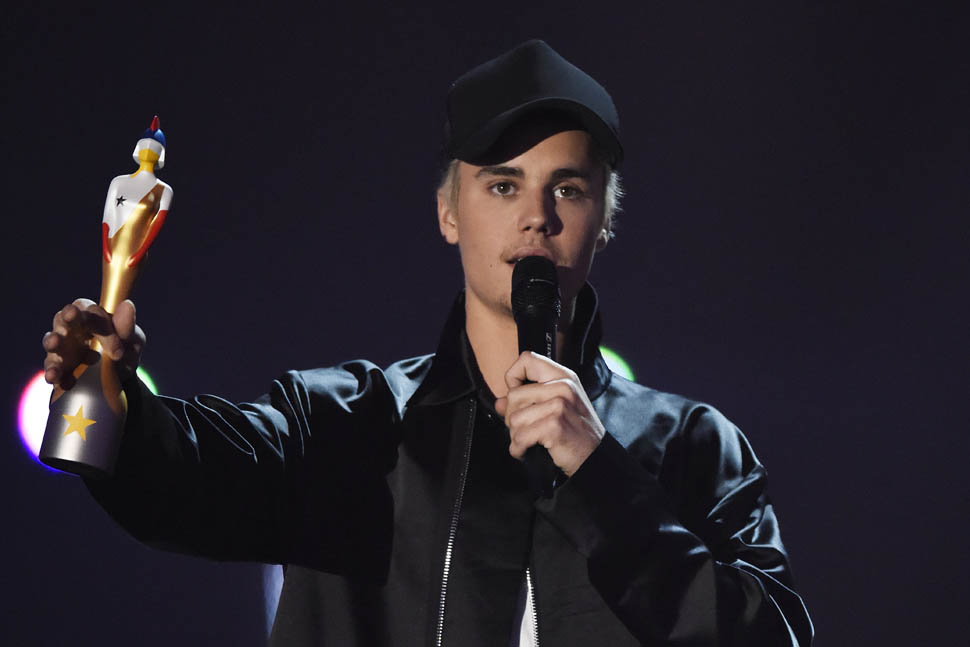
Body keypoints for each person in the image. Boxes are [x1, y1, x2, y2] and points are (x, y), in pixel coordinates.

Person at [42, 40, 813, 646]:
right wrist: (109, 399)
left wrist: (599, 476)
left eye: (569, 188)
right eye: (503, 184)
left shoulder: (692, 446)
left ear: (602, 221)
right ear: (449, 212)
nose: (537, 216)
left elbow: (771, 634)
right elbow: (187, 480)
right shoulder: (347, 423)